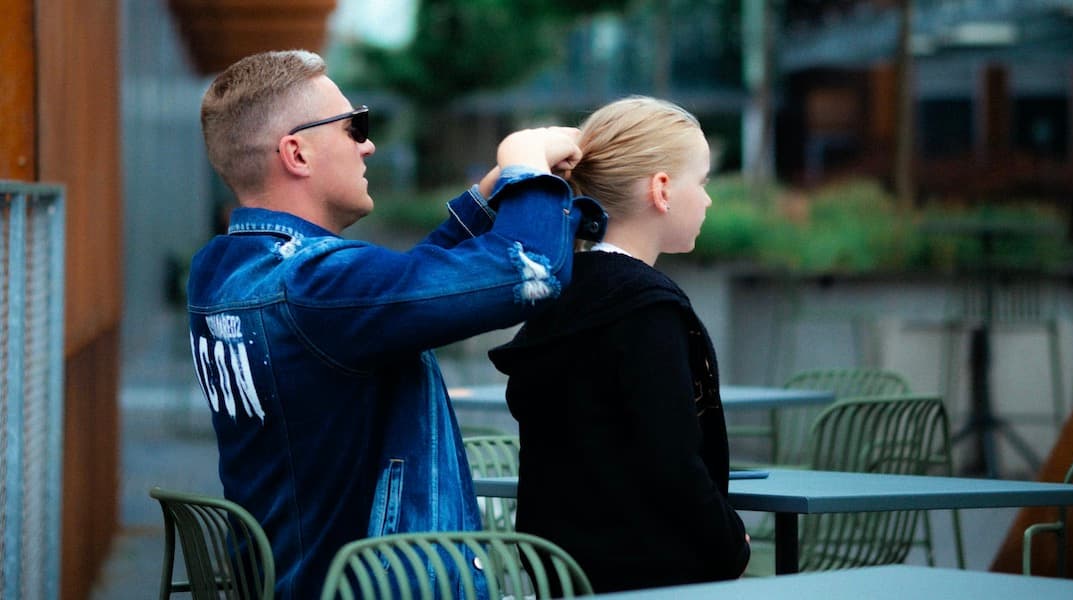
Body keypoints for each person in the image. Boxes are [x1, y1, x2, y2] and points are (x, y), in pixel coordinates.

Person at [186, 49, 604, 598]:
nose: (368, 143)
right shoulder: (314, 285)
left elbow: (391, 294)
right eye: (354, 125)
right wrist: (526, 164)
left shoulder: (222, 269)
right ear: (297, 153)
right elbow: (530, 271)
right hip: (369, 588)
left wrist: (484, 199)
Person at [488, 96, 750, 592]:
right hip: (654, 574)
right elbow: (672, 458)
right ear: (663, 189)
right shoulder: (645, 308)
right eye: (704, 182)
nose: (709, 199)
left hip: (563, 572)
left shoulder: (562, 295)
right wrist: (732, 543)